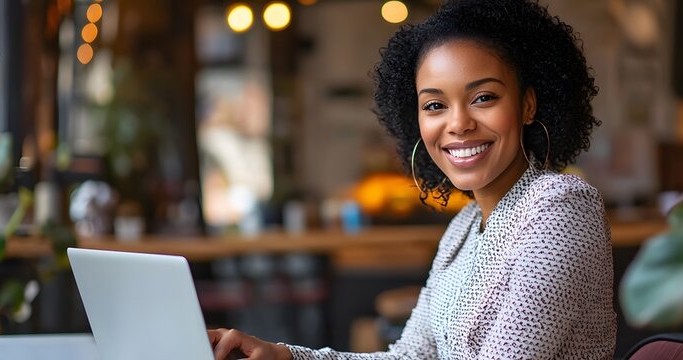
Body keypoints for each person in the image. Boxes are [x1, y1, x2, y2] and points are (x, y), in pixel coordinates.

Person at [208, 0, 616, 358]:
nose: (458, 124)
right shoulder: (464, 228)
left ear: (528, 105)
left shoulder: (560, 206)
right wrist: (284, 355)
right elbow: (410, 356)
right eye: (435, 104)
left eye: (483, 98)